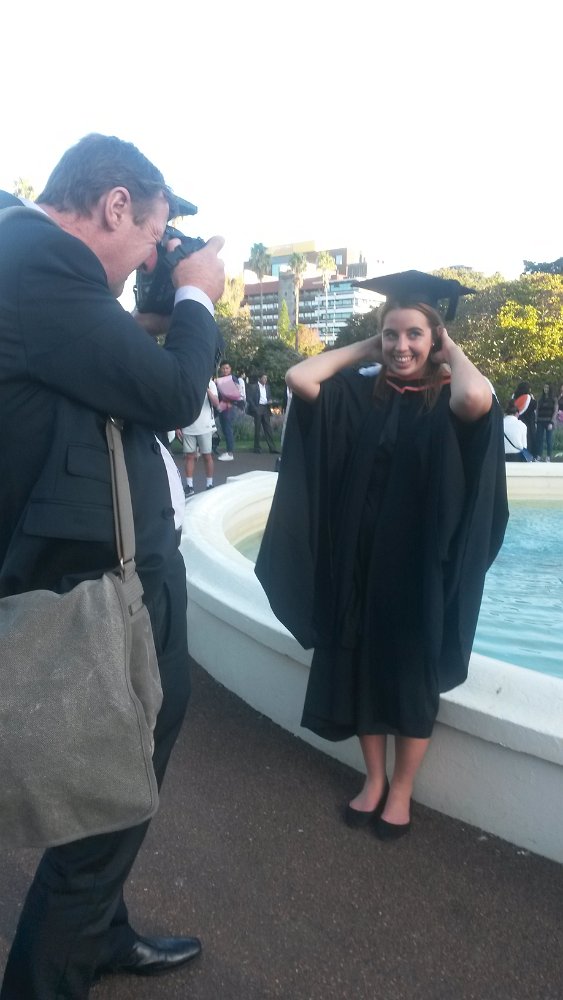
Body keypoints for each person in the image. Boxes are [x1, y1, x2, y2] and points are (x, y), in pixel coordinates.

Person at [0, 134, 225, 998]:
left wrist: (160, 316)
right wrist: (196, 296)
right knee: (120, 748)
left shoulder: (28, 261)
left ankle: (100, 927)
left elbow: (92, 353)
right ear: (115, 203)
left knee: (117, 750)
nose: (148, 260)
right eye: (151, 236)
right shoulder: (40, 256)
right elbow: (170, 393)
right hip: (101, 580)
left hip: (109, 566)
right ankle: (53, 971)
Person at [255, 270, 508, 841]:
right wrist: (368, 346)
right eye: (392, 334)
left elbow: (476, 398)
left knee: (412, 674)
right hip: (360, 560)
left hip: (420, 568)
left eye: (415, 334)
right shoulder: (362, 394)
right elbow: (300, 377)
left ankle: (401, 790)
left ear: (435, 338)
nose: (401, 346)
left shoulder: (451, 399)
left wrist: (450, 350)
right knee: (360, 663)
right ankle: (373, 779)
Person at [179, 378, 219, 495]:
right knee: (189, 456)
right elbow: (181, 404)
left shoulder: (210, 384)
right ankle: (189, 486)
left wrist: (206, 388)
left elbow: (216, 403)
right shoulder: (187, 382)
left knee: (207, 455)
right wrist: (178, 426)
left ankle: (209, 484)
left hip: (205, 426)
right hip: (188, 426)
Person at [216, 360, 246, 461]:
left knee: (227, 428)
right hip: (222, 406)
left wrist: (230, 401)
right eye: (223, 368)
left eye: (227, 368)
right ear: (220, 369)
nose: (225, 370)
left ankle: (230, 452)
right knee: (225, 429)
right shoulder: (220, 379)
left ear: (230, 369)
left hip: (229, 407)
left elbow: (237, 393)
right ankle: (228, 451)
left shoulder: (233, 378)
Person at [246, 372, 280, 454]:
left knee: (268, 428)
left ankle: (272, 448)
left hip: (266, 408)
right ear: (259, 379)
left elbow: (269, 396)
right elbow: (249, 398)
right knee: (257, 429)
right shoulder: (253, 387)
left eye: (266, 378)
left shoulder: (267, 387)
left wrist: (270, 401)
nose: (265, 380)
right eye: (264, 378)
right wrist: (255, 408)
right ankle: (257, 448)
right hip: (258, 407)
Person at [511, 380, 536, 454]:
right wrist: (533, 399)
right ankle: (529, 454)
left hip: (516, 419)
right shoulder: (528, 397)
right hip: (528, 421)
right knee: (528, 438)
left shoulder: (514, 396)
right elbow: (533, 406)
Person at [534, 383, 557, 462]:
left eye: (547, 387)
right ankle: (539, 455)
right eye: (545, 387)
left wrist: (552, 422)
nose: (545, 389)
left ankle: (548, 456)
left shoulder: (553, 399)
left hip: (549, 421)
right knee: (539, 439)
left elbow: (555, 411)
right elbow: (537, 410)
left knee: (549, 440)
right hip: (540, 421)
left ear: (550, 389)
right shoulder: (540, 399)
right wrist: (536, 421)